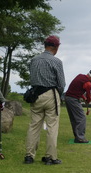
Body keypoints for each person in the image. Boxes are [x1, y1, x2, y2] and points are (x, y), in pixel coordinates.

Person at [24, 35, 66, 165]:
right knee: (52, 126)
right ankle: (50, 156)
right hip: (51, 94)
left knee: (34, 126)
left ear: (45, 45)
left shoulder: (34, 60)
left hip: (36, 95)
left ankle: (29, 156)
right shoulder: (56, 61)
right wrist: (59, 94)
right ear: (56, 46)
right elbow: (61, 83)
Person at [65, 70, 91, 143]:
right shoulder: (88, 83)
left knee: (74, 118)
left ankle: (77, 136)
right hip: (73, 99)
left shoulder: (80, 76)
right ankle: (80, 138)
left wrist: (84, 99)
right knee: (81, 118)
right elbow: (89, 95)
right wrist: (88, 101)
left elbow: (78, 91)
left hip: (68, 98)